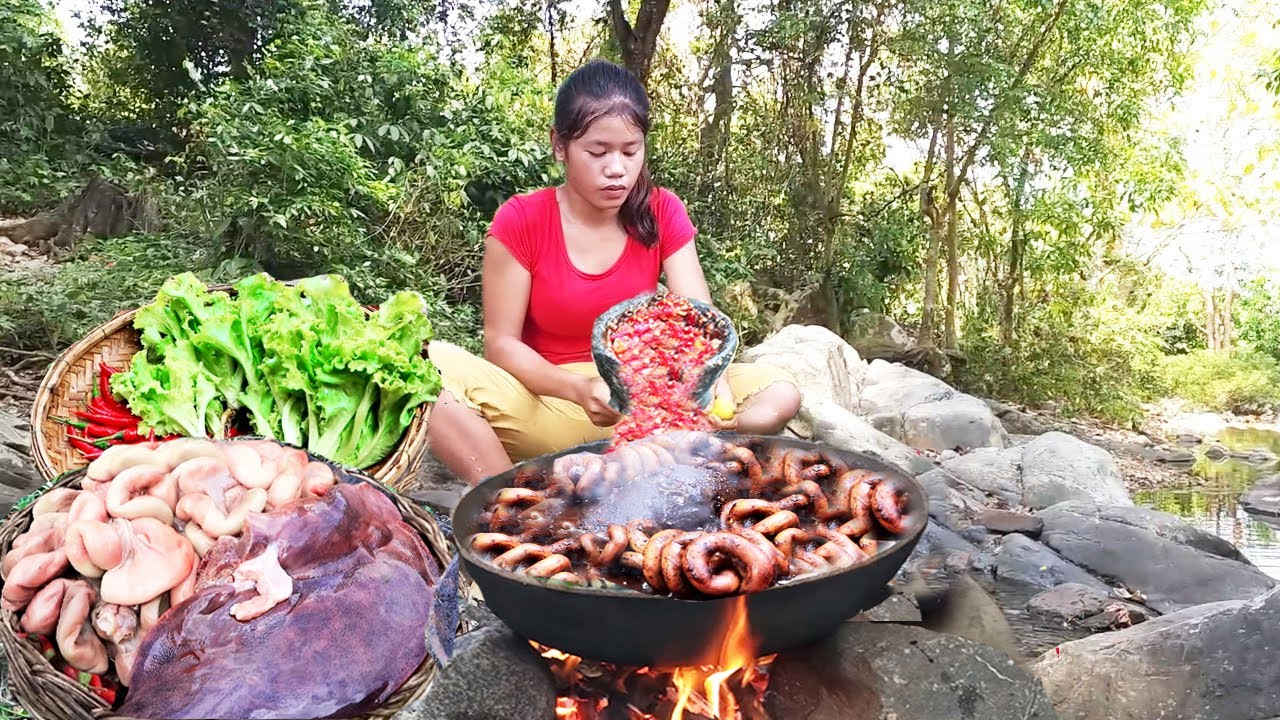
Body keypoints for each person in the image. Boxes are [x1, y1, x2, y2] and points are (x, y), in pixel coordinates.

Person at [426, 58, 801, 485]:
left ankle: (711, 439)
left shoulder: (661, 210)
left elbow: (699, 320)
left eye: (630, 150)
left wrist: (716, 386)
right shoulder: (521, 220)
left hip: (646, 395)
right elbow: (501, 345)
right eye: (598, 152)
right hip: (550, 401)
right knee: (431, 367)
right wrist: (579, 390)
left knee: (778, 389)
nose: (617, 169)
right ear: (559, 146)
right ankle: (506, 499)